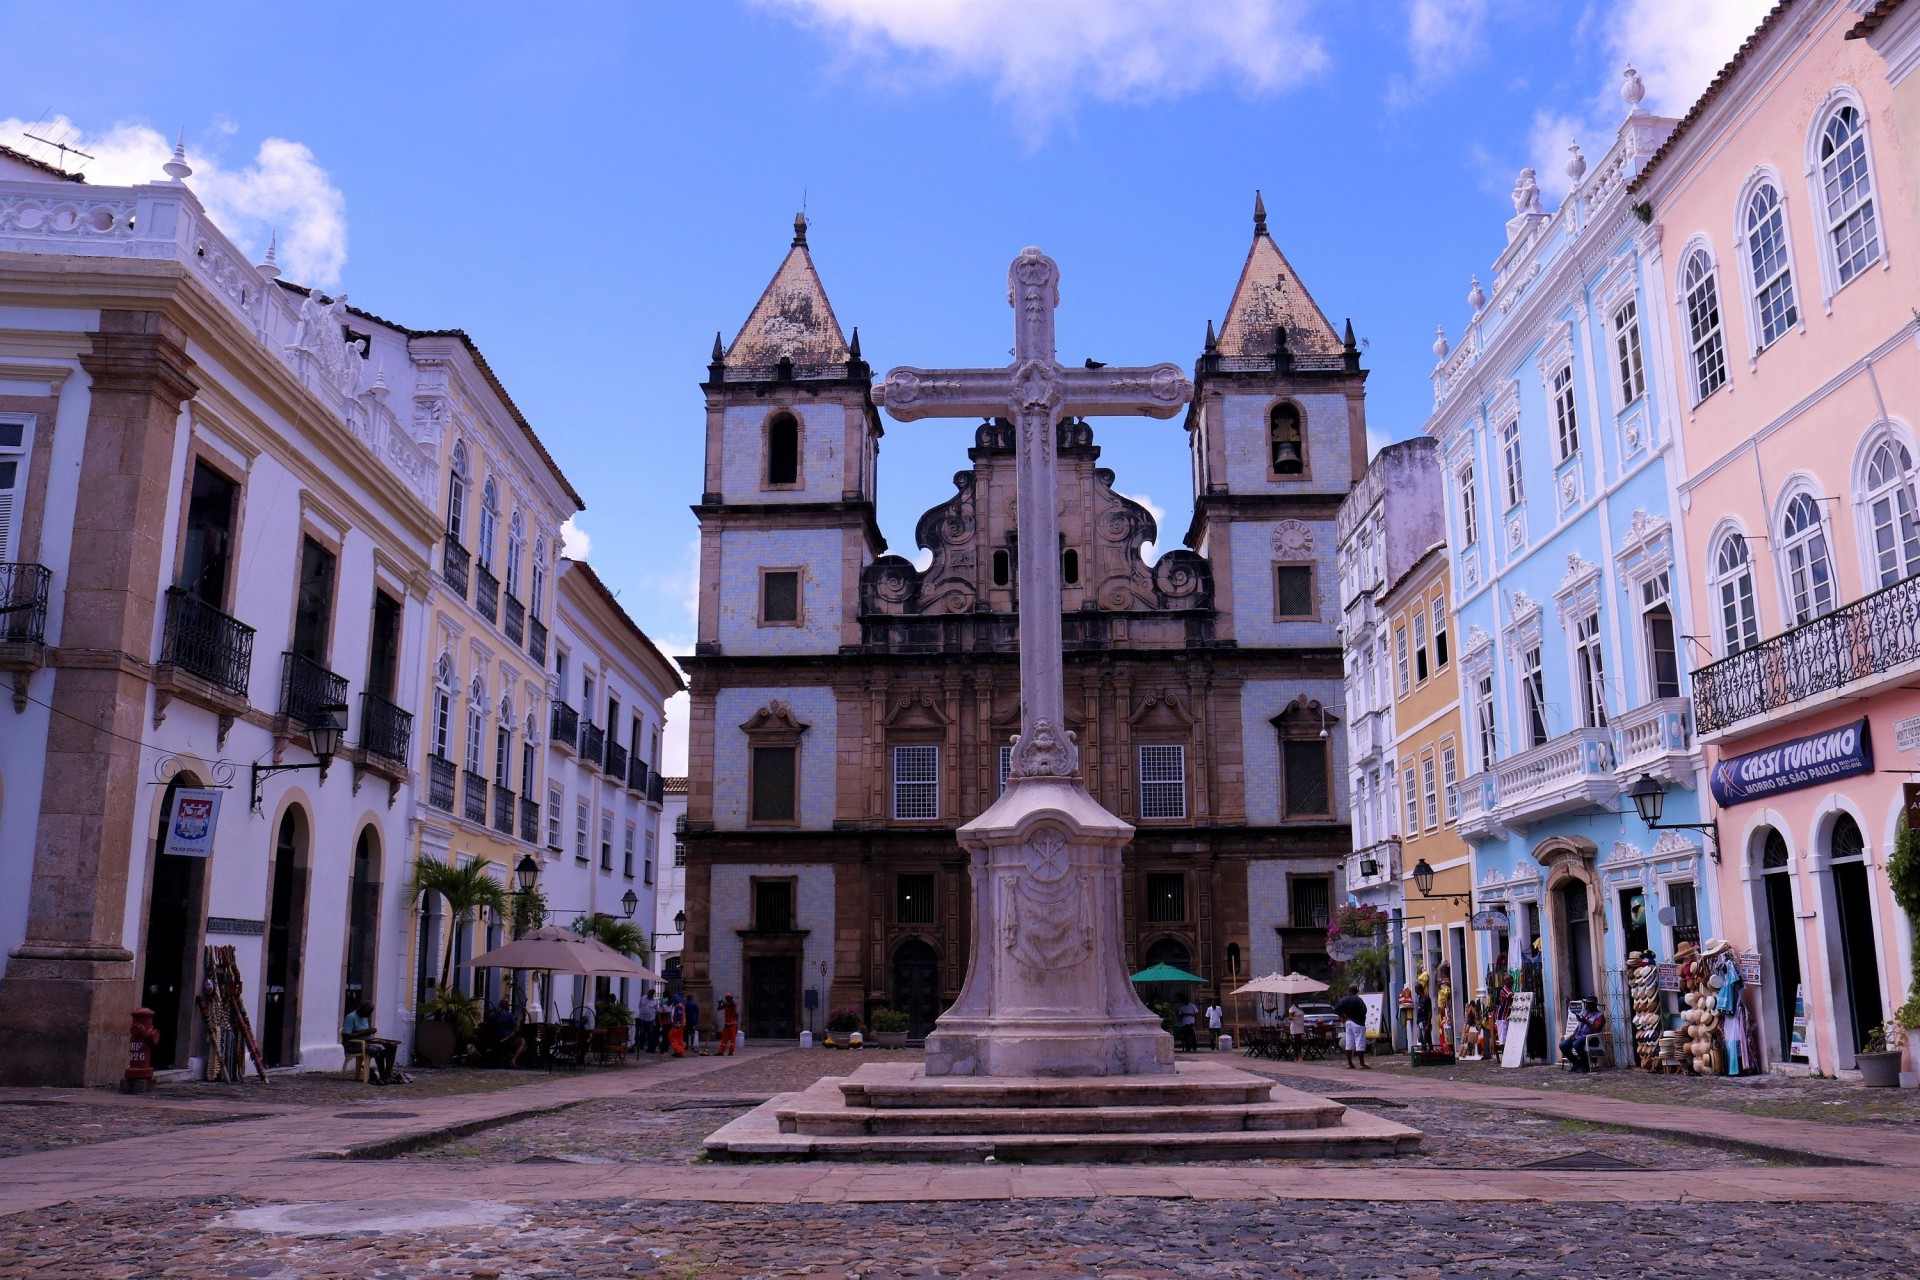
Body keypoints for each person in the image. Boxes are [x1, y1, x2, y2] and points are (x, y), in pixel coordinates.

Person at [341, 1001, 398, 1084]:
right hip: (355, 1045)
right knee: (379, 1049)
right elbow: (346, 1036)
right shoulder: (351, 1017)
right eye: (366, 1013)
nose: (367, 1016)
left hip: (367, 1042)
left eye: (369, 1014)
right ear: (360, 1009)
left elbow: (365, 1032)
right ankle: (382, 1076)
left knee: (391, 1046)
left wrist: (371, 1032)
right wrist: (364, 1032)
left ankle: (387, 1075)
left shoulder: (365, 1017)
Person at [1559, 997, 1605, 1073]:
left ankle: (1585, 1065)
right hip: (1579, 1036)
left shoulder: (1599, 1016)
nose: (1588, 1006)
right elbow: (1579, 1025)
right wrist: (1574, 1033)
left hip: (1590, 1038)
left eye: (1590, 1004)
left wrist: (1586, 1021)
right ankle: (1577, 1064)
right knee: (1563, 1045)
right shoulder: (1584, 1012)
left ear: (1594, 1005)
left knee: (1576, 1044)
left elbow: (1596, 1030)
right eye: (1587, 1004)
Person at [482, 1000, 527, 1068]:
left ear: (499, 1005)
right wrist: (519, 1021)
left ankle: (489, 1058)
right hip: (506, 1040)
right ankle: (513, 1060)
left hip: (492, 1039)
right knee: (522, 1041)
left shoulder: (491, 1014)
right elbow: (516, 1029)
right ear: (507, 1007)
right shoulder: (510, 1015)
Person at [1334, 986, 1370, 1070]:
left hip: (1348, 1022)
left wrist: (1344, 1017)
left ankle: (1350, 1063)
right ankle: (1362, 1063)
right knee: (1360, 1042)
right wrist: (1359, 1017)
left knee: (1349, 1043)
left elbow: (1336, 1010)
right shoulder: (1358, 999)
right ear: (1356, 991)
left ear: (1348, 991)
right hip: (1358, 1022)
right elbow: (1364, 1010)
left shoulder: (1343, 1000)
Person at [635, 989, 658, 1055]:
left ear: (653, 994)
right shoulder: (643, 998)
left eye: (650, 993)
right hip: (642, 1018)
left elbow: (656, 1009)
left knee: (650, 1033)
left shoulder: (655, 1000)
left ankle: (649, 1046)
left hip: (650, 1018)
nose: (649, 994)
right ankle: (641, 1045)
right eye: (648, 992)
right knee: (642, 1032)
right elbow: (639, 1006)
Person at [719, 992, 740, 1056]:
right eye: (727, 998)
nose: (727, 998)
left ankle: (731, 1052)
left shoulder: (733, 1003)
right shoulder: (726, 1004)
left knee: (732, 1039)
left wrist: (723, 1001)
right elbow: (719, 1008)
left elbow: (730, 1004)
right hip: (727, 1024)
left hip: (733, 1024)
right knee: (724, 1038)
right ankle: (720, 1051)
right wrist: (719, 1003)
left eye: (728, 997)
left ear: (731, 998)